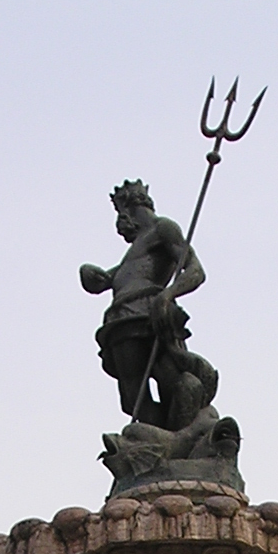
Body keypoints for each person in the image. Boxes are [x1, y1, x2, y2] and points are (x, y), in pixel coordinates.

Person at [80, 180, 213, 427]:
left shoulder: (163, 228)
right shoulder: (135, 249)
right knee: (132, 399)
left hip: (149, 311)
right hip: (120, 319)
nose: (120, 228)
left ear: (128, 212)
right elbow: (115, 279)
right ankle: (161, 443)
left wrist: (167, 295)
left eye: (121, 214)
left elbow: (196, 271)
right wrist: (97, 278)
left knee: (171, 379)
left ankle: (180, 437)